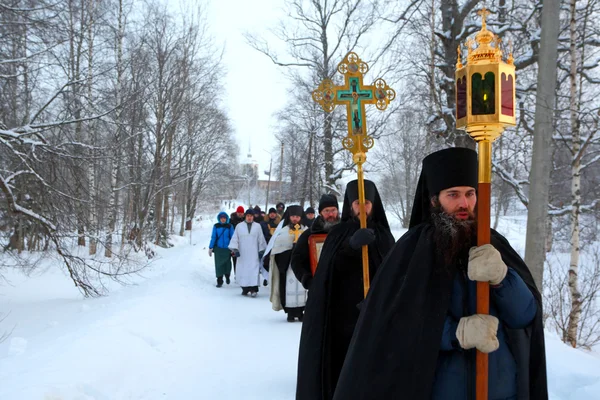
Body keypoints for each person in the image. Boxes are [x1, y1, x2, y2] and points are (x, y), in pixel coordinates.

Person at [332, 147, 547, 400]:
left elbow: (525, 316)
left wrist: (502, 278)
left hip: (500, 391)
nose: (464, 204)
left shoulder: (494, 243)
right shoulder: (414, 249)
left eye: (469, 194)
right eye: (453, 195)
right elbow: (399, 324)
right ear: (434, 199)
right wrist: (457, 333)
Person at [295, 179, 395, 400]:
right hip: (342, 319)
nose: (363, 207)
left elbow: (395, 277)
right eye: (358, 202)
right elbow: (328, 273)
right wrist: (351, 246)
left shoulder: (385, 236)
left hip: (376, 316)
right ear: (351, 204)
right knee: (342, 371)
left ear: (374, 204)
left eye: (367, 202)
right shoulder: (338, 233)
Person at [291, 194, 340, 290]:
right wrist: (307, 280)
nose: (330, 214)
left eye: (333, 210)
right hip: (319, 289)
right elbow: (297, 260)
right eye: (326, 211)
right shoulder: (309, 235)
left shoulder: (345, 231)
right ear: (320, 212)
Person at [269, 205, 308, 322]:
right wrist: (291, 252)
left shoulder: (306, 231)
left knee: (302, 289)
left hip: (301, 267)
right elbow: (277, 251)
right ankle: (290, 313)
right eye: (292, 216)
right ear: (289, 217)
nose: (295, 219)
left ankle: (301, 312)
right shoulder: (283, 231)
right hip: (288, 267)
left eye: (297, 216)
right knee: (287, 288)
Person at [228, 209, 267, 297]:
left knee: (253, 270)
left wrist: (261, 250)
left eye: (251, 216)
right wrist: (235, 249)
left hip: (254, 254)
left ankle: (253, 290)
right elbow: (235, 238)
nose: (249, 218)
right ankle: (245, 289)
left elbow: (261, 239)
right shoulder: (239, 226)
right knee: (243, 271)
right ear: (245, 216)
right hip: (243, 254)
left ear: (253, 217)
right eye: (248, 216)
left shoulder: (257, 226)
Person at [208, 212, 235, 288]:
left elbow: (233, 237)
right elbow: (213, 237)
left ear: (226, 218)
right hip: (218, 249)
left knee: (227, 264)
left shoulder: (230, 226)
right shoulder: (216, 226)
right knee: (218, 265)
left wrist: (233, 248)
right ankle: (219, 280)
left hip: (227, 249)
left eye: (224, 218)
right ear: (219, 219)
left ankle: (227, 276)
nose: (223, 219)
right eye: (221, 218)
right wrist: (210, 247)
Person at [229, 206, 245, 274]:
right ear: (236, 212)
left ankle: (242, 273)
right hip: (234, 242)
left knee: (243, 259)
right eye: (239, 213)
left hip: (243, 242)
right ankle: (236, 274)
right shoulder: (231, 220)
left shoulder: (245, 220)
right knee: (235, 259)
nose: (240, 214)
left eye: (242, 213)